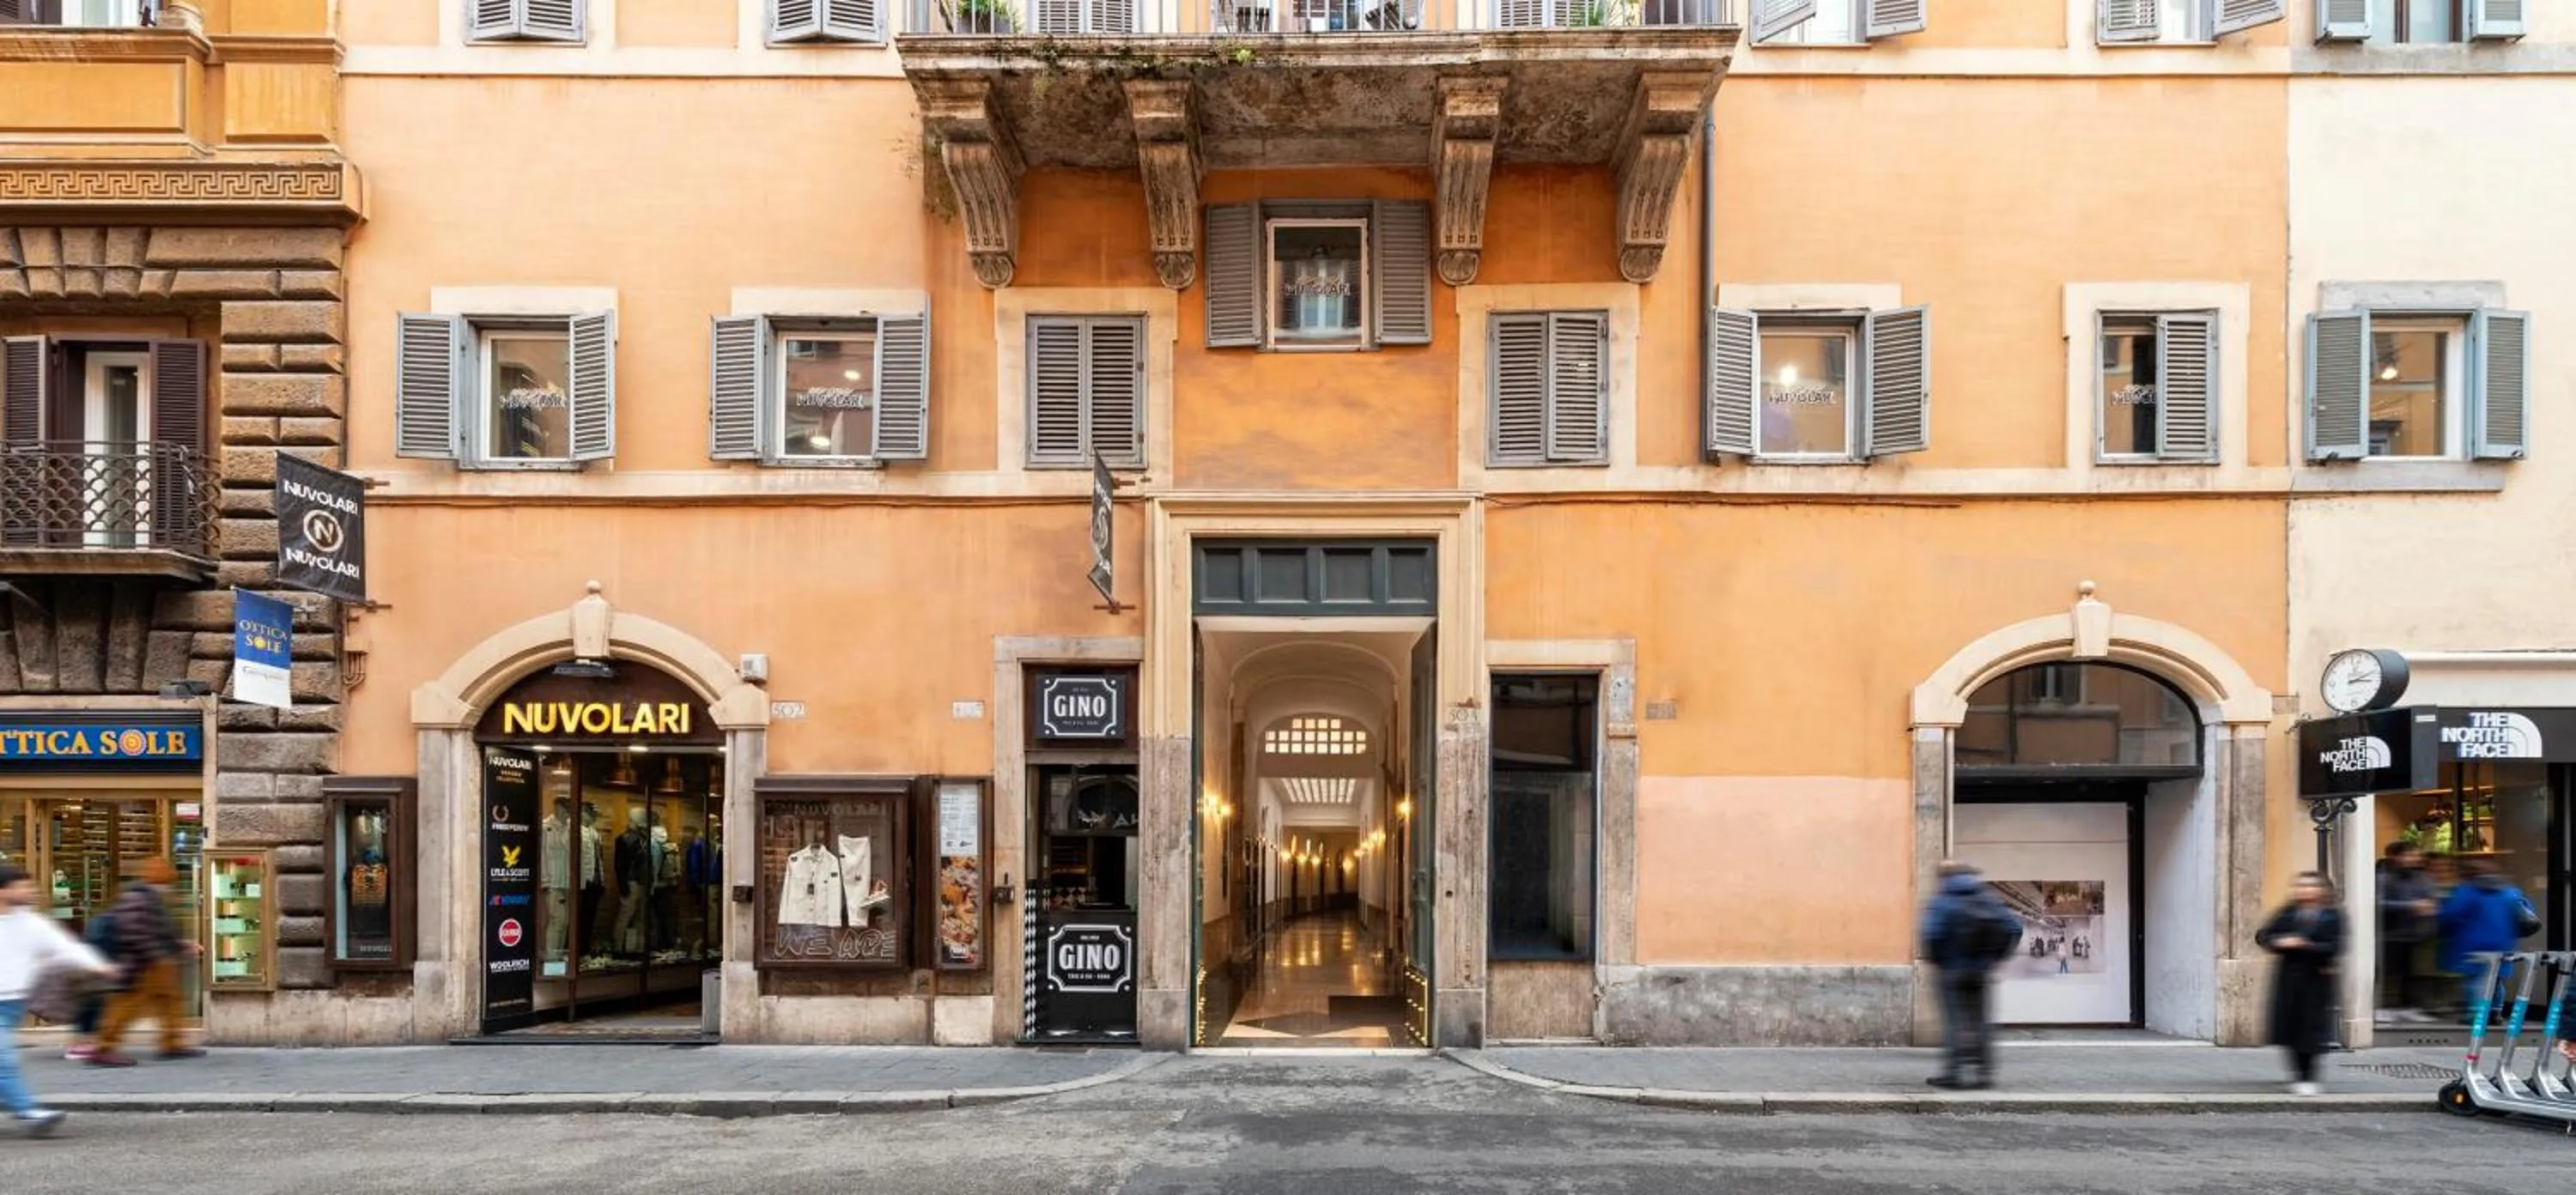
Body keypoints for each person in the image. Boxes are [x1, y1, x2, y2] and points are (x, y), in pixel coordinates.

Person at [0, 862, 118, 1137]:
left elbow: (65, 947)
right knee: (4, 1060)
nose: (30, 890)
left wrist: (99, 965)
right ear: (3, 891)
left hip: (12, 1003)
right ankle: (29, 1113)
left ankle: (28, 1111)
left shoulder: (31, 923)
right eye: (22, 886)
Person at [89, 856, 202, 1068]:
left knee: (170, 1002)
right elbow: (135, 933)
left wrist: (179, 945)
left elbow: (161, 931)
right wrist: (157, 953)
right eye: (167, 883)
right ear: (159, 881)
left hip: (158, 962)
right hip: (143, 964)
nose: (169, 888)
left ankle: (172, 1042)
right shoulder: (138, 898)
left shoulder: (151, 899)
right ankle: (104, 1047)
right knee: (126, 1007)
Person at [1919, 859, 2017, 1091]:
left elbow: (1931, 933)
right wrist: (1997, 958)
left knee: (1954, 1022)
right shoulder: (1988, 898)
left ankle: (1954, 1073)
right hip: (1982, 971)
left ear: (1944, 877)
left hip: (1952, 971)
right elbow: (2014, 927)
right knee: (1982, 1022)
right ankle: (1985, 1074)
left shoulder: (1942, 900)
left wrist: (1937, 959)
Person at [2257, 870, 2346, 1097]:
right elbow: (2264, 935)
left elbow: (2336, 947)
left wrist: (2304, 945)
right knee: (2289, 1027)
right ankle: (2297, 1072)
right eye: (2301, 885)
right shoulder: (2288, 913)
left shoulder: (2332, 916)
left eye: (2311, 886)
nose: (2305, 890)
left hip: (2317, 980)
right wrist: (2278, 942)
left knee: (2311, 1029)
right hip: (2289, 978)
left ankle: (2309, 1076)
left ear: (2322, 890)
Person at [2437, 856, 2535, 1027]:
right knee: (2496, 978)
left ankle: (2476, 1014)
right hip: (2503, 942)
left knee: (2474, 978)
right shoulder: (2510, 891)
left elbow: (2450, 915)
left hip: (2472, 942)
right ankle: (2495, 1012)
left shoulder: (2467, 891)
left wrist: (2444, 930)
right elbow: (2527, 913)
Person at [2375, 843, 2438, 1024]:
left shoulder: (2423, 878)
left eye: (2416, 855)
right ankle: (2384, 1007)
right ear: (2397, 857)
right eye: (2410, 855)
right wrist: (2411, 906)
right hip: (2389, 934)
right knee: (2388, 973)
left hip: (2414, 933)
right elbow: (2378, 903)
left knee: (2411, 973)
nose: (2414, 858)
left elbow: (2430, 898)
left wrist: (2430, 908)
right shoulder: (2384, 877)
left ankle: (2409, 1008)